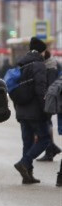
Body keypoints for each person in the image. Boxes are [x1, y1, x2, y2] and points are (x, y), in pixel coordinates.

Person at [13, 37, 49, 184]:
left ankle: (27, 176)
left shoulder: (20, 64)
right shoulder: (39, 65)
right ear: (41, 51)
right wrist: (45, 110)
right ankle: (24, 162)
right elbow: (40, 90)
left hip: (21, 110)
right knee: (44, 139)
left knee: (27, 142)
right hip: (35, 111)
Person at [36, 50, 61, 162]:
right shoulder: (50, 64)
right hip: (50, 99)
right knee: (46, 125)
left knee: (45, 125)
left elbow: (50, 85)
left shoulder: (50, 67)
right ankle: (51, 149)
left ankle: (50, 151)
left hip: (50, 100)